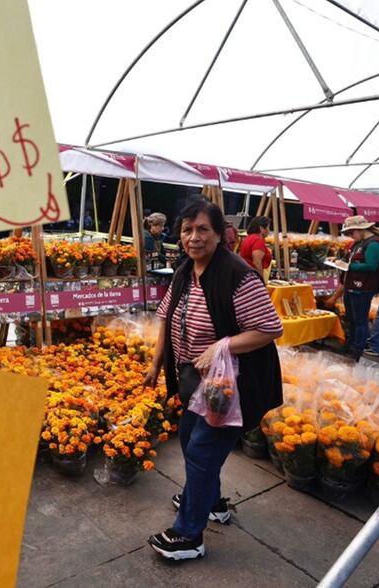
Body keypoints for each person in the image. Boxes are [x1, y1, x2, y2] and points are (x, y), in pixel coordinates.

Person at [143, 196, 283, 561]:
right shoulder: (185, 271)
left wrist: (222, 346)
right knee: (193, 440)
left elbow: (269, 328)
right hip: (194, 382)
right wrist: (156, 363)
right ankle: (213, 501)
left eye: (203, 229)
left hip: (228, 386)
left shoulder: (238, 275)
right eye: (187, 230)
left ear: (220, 234)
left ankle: (189, 535)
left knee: (202, 451)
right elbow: (165, 316)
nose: (194, 237)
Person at [340, 215, 379, 361]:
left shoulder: (374, 243)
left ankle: (357, 349)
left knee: (360, 320)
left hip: (363, 287)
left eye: (351, 232)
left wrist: (349, 266)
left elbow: (371, 266)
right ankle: (351, 344)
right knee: (351, 318)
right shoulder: (359, 243)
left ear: (360, 229)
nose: (350, 236)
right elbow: (351, 259)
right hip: (352, 286)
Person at [239, 216, 272, 281]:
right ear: (261, 228)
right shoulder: (257, 241)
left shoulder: (247, 238)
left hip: (244, 274)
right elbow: (257, 262)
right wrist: (260, 280)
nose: (269, 231)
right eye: (268, 228)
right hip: (251, 277)